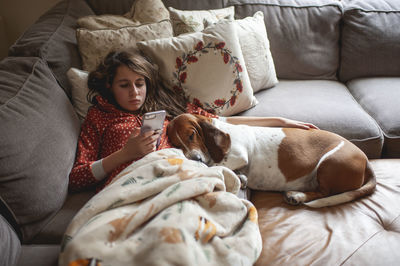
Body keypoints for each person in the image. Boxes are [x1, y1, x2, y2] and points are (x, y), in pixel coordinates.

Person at [69, 49, 318, 192]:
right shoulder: (99, 117)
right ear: (110, 87)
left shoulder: (171, 110)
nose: (134, 93)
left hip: (181, 179)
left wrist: (282, 121)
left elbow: (224, 123)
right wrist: (124, 154)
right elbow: (77, 178)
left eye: (140, 83)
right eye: (124, 85)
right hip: (131, 186)